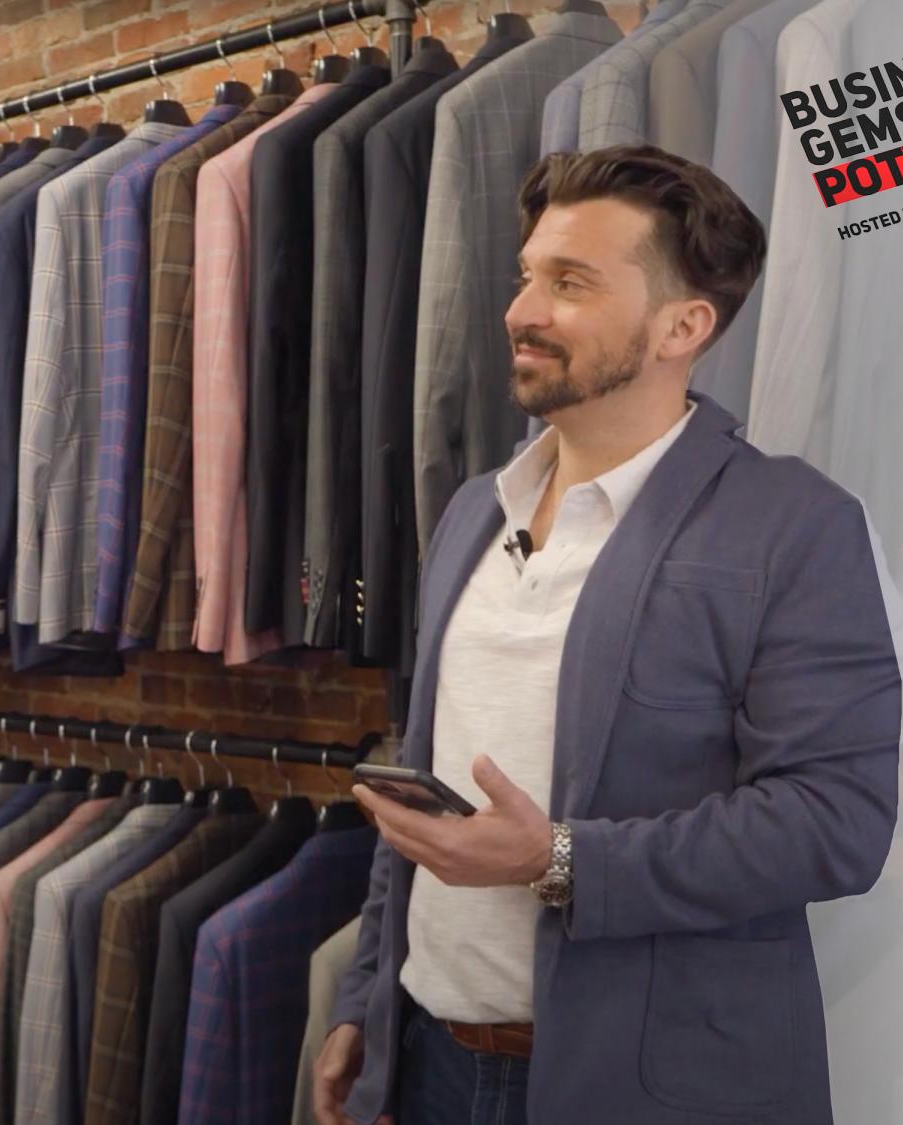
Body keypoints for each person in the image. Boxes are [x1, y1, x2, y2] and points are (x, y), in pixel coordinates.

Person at [314, 144, 902, 1125]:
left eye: (571, 282)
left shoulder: (797, 526)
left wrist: (560, 860)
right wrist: (368, 997)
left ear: (684, 324)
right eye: (527, 276)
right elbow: (426, 785)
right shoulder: (472, 511)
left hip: (651, 1087)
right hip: (427, 1063)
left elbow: (836, 825)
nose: (521, 310)